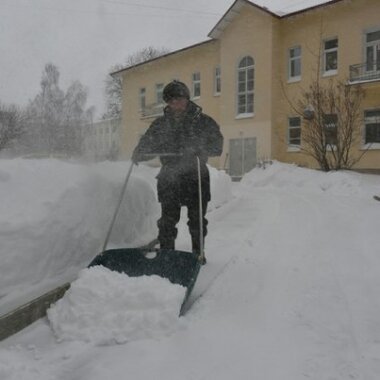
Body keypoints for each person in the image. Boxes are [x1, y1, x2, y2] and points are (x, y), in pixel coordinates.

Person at [132, 80, 223, 264]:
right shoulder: (160, 125)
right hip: (169, 178)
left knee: (196, 221)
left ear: (187, 99)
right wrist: (139, 153)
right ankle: (167, 256)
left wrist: (200, 149)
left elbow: (217, 145)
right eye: (172, 101)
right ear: (167, 103)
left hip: (196, 176)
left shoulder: (203, 122)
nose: (176, 104)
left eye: (180, 99)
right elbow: (147, 143)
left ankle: (197, 254)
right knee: (167, 221)